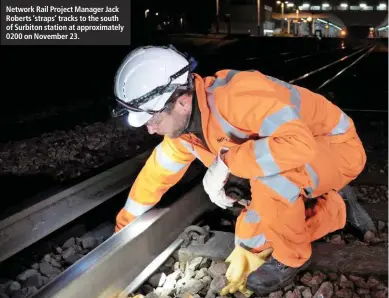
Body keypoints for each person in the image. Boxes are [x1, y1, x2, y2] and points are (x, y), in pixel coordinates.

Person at [111, 45, 374, 295]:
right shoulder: (186, 132)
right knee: (252, 241)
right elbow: (156, 175)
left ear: (180, 101)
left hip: (336, 147)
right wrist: (122, 230)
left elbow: (298, 145)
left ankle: (292, 259)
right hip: (299, 157)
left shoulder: (237, 97)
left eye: (153, 118)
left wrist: (228, 162)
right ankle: (336, 208)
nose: (150, 129)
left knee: (272, 185)